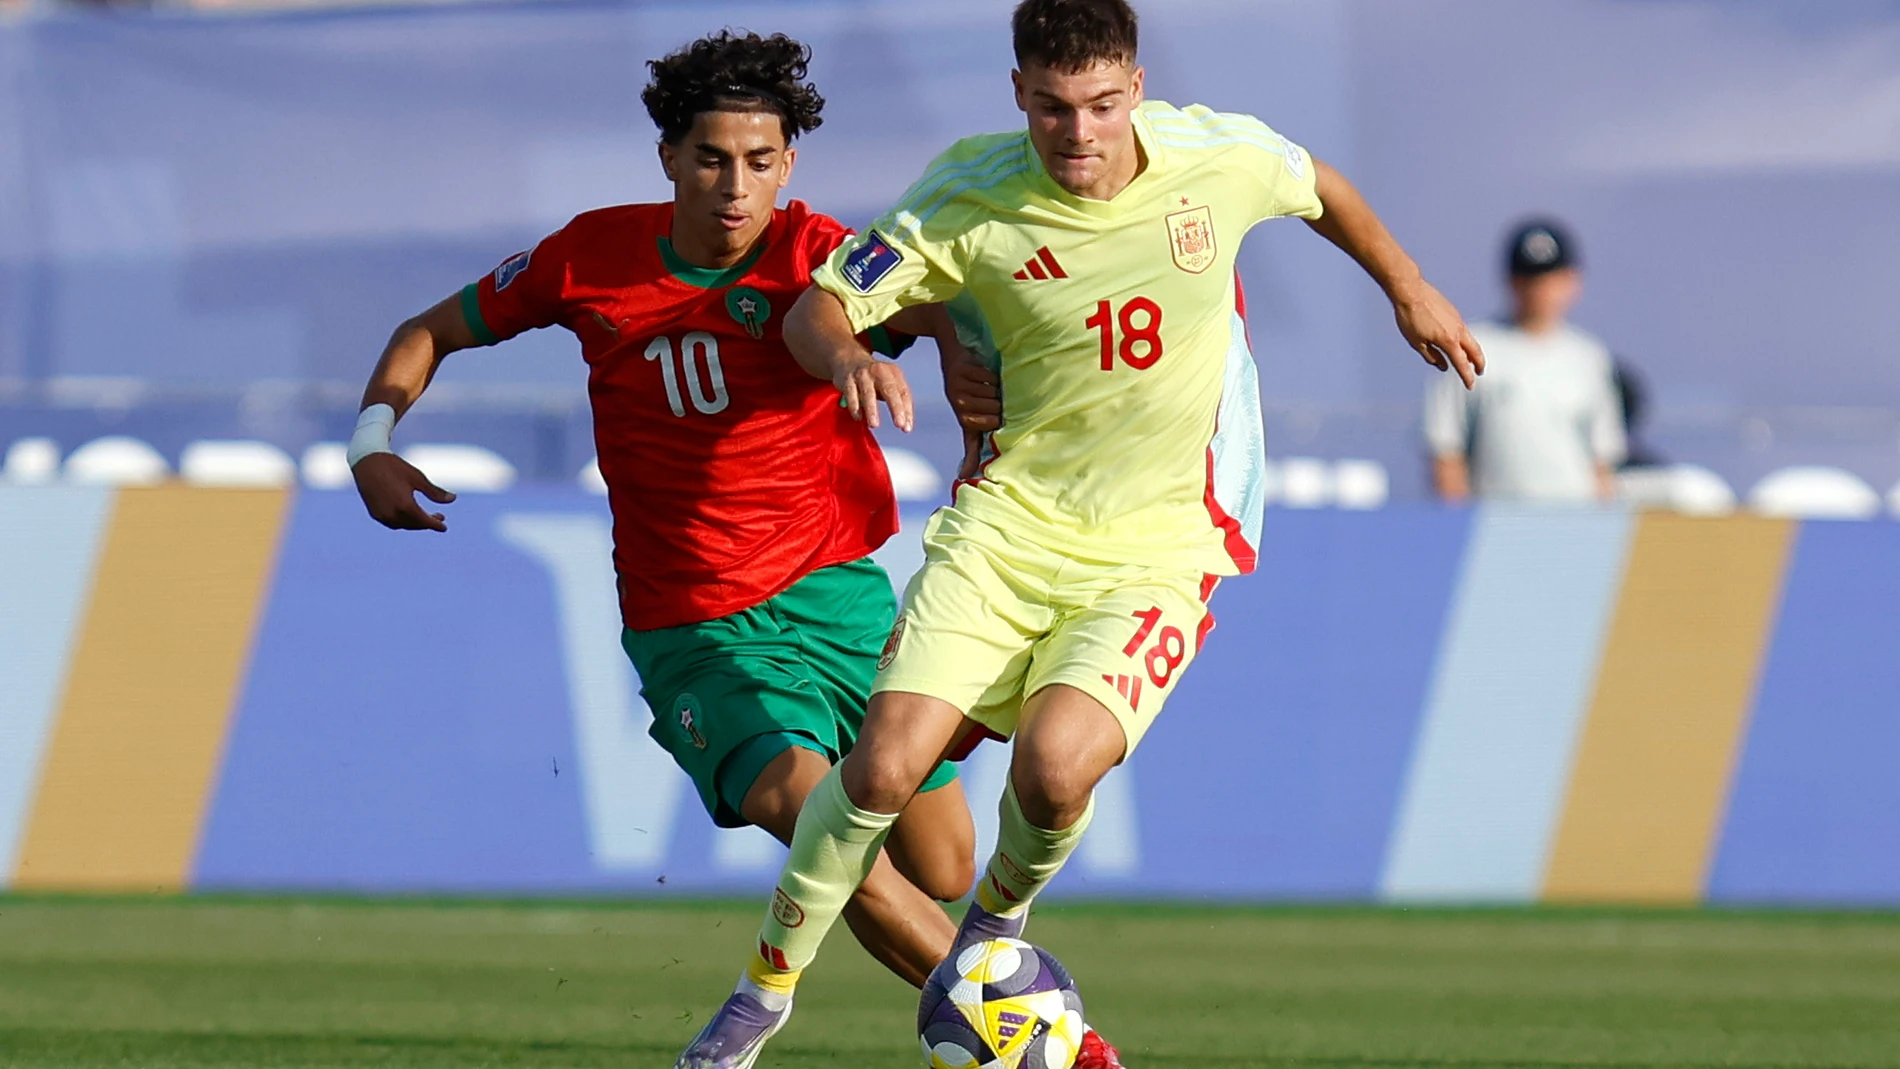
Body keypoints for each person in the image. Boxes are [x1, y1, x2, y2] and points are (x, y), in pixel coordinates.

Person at [674, 2, 1483, 1067]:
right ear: (1019, 96)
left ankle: (992, 936)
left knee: (1054, 773)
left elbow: (1320, 184)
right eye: (1053, 107)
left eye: (1101, 104)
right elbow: (819, 306)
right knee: (878, 770)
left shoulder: (1214, 155)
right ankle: (759, 999)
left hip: (1157, 545)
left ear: (1135, 88)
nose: (1079, 131)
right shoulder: (968, 193)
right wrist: (851, 356)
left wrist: (1408, 287)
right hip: (1006, 532)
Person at [347, 30, 982, 992]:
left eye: (759, 163)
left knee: (942, 867)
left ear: (788, 164)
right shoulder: (587, 258)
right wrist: (372, 443)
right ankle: (1038, 1030)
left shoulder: (820, 254)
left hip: (840, 598)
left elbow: (935, 305)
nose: (736, 186)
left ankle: (980, 1015)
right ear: (668, 159)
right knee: (817, 823)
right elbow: (427, 331)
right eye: (712, 160)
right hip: (694, 621)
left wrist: (958, 369)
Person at [1425, 218, 1625, 502]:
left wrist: (1601, 526)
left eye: (1550, 278)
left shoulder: (1589, 357)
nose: (1540, 290)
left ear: (1572, 281)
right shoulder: (1472, 347)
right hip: (1495, 524)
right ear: (1511, 282)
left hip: (1575, 523)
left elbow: (1602, 461)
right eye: (1529, 279)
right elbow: (1446, 451)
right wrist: (1457, 523)